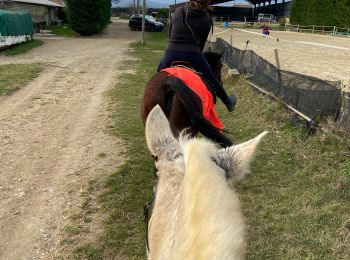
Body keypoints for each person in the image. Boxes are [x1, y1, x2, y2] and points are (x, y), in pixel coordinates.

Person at [157, 0, 236, 112]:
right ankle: (228, 103)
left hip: (171, 52)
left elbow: (170, 36)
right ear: (206, 3)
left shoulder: (178, 11)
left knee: (158, 76)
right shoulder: (206, 18)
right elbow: (201, 44)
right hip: (193, 54)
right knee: (211, 78)